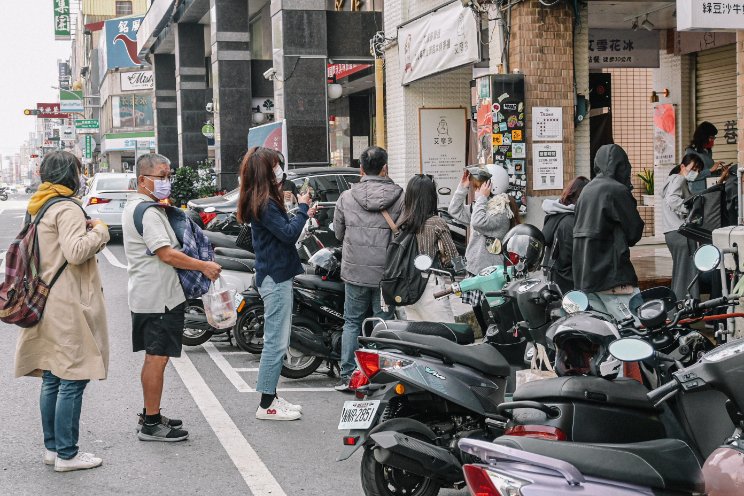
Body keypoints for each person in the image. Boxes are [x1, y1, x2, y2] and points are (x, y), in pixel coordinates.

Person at [15, 151, 110, 472]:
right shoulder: (67, 207)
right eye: (80, 171)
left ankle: (53, 449)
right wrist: (100, 230)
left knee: (54, 378)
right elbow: (75, 251)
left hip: (45, 300)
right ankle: (67, 454)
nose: (82, 176)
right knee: (73, 377)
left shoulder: (40, 206)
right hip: (67, 303)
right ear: (71, 174)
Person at [122, 153, 221, 440]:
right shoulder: (149, 212)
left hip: (150, 294)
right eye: (161, 176)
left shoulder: (139, 207)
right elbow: (165, 253)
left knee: (156, 356)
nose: (167, 182)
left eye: (168, 176)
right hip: (158, 298)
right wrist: (203, 265)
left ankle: (150, 414)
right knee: (157, 358)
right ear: (143, 180)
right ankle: (151, 423)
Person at [237, 147, 314, 420]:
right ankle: (266, 404)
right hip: (275, 276)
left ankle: (273, 398)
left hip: (273, 274)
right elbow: (288, 234)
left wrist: (299, 210)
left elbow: (282, 231)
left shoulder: (262, 198)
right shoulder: (266, 202)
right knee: (275, 343)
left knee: (277, 340)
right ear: (266, 171)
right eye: (276, 165)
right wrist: (303, 208)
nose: (280, 169)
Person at [333, 146, 404, 392]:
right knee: (382, 324)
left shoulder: (346, 197)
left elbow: (338, 233)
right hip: (387, 274)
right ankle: (378, 376)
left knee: (352, 322)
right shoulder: (400, 196)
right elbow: (404, 233)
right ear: (385, 168)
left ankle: (347, 376)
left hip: (355, 272)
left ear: (361, 169)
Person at [573, 144, 645, 321]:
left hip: (586, 278)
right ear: (622, 167)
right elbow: (634, 232)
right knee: (637, 331)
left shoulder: (586, 191)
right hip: (613, 277)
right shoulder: (616, 190)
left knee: (605, 332)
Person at [448, 165, 518, 332]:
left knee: (492, 321)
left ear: (492, 185)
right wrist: (462, 188)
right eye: (477, 187)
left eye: (480, 186)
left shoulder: (501, 211)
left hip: (491, 276)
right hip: (475, 271)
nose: (477, 190)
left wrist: (481, 199)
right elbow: (454, 211)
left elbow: (478, 223)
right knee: (480, 316)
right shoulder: (482, 206)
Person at [398, 175, 461, 322]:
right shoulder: (436, 223)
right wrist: (464, 269)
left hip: (408, 286)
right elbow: (453, 257)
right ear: (431, 196)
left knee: (418, 336)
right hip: (430, 286)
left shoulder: (402, 221)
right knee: (446, 334)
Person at [662, 154, 705, 300]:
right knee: (688, 273)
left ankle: (677, 309)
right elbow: (672, 200)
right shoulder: (679, 179)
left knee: (680, 273)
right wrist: (691, 212)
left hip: (671, 233)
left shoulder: (670, 180)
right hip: (681, 233)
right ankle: (684, 310)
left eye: (698, 170)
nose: (696, 172)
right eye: (693, 168)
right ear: (682, 167)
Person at [541, 176, 590, 293]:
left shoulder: (556, 213)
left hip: (553, 279)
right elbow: (574, 259)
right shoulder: (570, 222)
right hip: (567, 285)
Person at [686, 121, 726, 194]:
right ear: (703, 137)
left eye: (714, 137)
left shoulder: (707, 151)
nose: (713, 140)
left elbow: (709, 172)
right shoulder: (691, 152)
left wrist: (720, 172)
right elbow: (689, 176)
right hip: (698, 193)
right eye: (711, 137)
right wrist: (710, 170)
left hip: (710, 190)